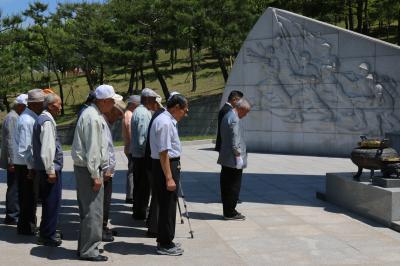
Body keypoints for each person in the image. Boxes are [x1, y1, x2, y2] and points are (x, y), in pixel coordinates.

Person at [72, 84, 115, 262]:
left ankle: (84, 247)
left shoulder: (92, 114)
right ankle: (89, 250)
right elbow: (93, 150)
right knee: (93, 211)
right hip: (89, 170)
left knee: (89, 210)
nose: (113, 104)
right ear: (104, 101)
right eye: (112, 101)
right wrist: (96, 175)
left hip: (87, 169)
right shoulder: (93, 117)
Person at [149, 93, 188, 256]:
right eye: (185, 110)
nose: (186, 114)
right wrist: (169, 177)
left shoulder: (167, 120)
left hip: (168, 165)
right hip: (165, 166)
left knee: (169, 204)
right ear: (176, 107)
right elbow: (163, 152)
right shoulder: (165, 122)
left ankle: (167, 240)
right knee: (167, 206)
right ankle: (164, 243)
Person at [32, 93, 63, 247]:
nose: (61, 107)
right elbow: (47, 149)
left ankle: (47, 231)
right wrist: (51, 170)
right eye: (59, 104)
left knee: (48, 201)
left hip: (44, 169)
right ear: (51, 106)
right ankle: (47, 235)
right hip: (49, 170)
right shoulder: (47, 121)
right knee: (52, 202)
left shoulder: (42, 118)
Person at [14, 89, 45, 235]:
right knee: (28, 197)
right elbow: (26, 148)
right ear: (34, 104)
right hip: (26, 166)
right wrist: (31, 168)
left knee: (29, 197)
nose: (44, 105)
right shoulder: (27, 120)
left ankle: (27, 225)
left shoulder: (29, 117)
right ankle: (27, 227)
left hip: (26, 165)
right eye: (42, 103)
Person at [217, 98, 251, 220]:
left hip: (226, 158)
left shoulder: (228, 115)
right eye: (245, 112)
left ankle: (228, 210)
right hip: (233, 160)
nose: (245, 115)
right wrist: (238, 157)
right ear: (240, 109)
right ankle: (230, 212)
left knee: (226, 185)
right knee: (233, 186)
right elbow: (235, 140)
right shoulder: (235, 119)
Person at [130, 88, 159, 220]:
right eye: (154, 100)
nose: (155, 103)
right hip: (142, 157)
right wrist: (147, 155)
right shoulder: (143, 113)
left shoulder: (139, 111)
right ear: (147, 99)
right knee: (143, 187)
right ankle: (140, 212)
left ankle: (138, 210)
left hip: (138, 156)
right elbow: (143, 138)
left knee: (140, 186)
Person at [1, 94, 27, 224]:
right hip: (14, 160)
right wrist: (11, 161)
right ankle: (12, 215)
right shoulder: (12, 118)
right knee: (14, 187)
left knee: (15, 186)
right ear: (20, 106)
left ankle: (14, 213)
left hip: (16, 159)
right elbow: (10, 141)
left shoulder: (15, 116)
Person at [102, 94, 125, 242]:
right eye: (117, 115)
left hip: (108, 172)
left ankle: (103, 226)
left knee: (106, 202)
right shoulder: (102, 123)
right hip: (104, 172)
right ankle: (100, 229)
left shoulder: (107, 123)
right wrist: (107, 169)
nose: (117, 119)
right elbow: (102, 150)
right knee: (103, 202)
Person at [145, 93, 166, 237]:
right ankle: (154, 227)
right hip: (155, 162)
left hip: (152, 160)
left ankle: (153, 224)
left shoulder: (157, 116)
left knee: (156, 197)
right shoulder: (161, 117)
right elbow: (163, 148)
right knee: (158, 196)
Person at [122, 95, 140, 204]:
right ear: (133, 104)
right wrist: (133, 145)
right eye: (137, 105)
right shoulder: (129, 115)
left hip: (128, 147)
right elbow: (129, 131)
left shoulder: (127, 114)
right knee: (132, 171)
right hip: (131, 147)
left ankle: (130, 194)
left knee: (131, 170)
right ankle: (130, 195)